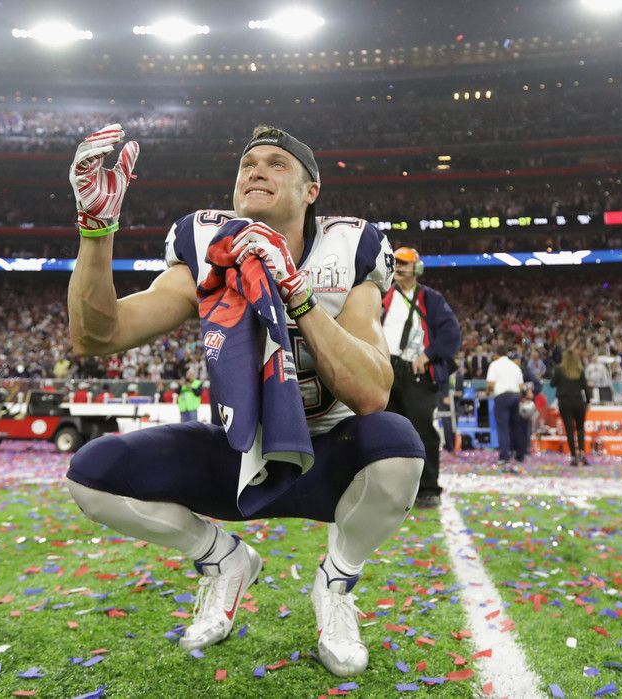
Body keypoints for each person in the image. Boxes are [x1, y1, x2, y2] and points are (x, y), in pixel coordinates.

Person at [64, 123, 425, 678]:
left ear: (311, 191)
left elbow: (373, 392)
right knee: (92, 475)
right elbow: (97, 336)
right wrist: (96, 232)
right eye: (248, 163)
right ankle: (223, 559)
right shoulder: (209, 244)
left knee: (398, 447)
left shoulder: (348, 249)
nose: (257, 170)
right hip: (240, 455)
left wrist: (298, 294)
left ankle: (335, 583)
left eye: (278, 163)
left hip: (327, 454)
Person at [380, 247, 461, 508]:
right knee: (387, 432)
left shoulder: (431, 299)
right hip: (385, 371)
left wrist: (428, 354)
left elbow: (451, 334)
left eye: (405, 263)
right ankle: (391, 491)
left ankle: (427, 488)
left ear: (417, 268)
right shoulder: (382, 296)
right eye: (396, 262)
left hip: (416, 374)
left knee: (422, 430)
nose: (399, 267)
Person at [486, 344, 528, 471]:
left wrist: (488, 392)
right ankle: (520, 455)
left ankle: (504, 456)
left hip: (502, 397)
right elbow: (521, 387)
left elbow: (490, 384)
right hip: (515, 396)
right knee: (516, 426)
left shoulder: (494, 365)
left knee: (503, 427)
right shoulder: (515, 366)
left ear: (496, 354)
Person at [550, 347, 592, 466]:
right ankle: (582, 454)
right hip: (578, 401)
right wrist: (588, 401)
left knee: (569, 430)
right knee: (580, 429)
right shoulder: (579, 370)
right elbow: (585, 387)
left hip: (564, 402)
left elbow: (552, 384)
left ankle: (573, 456)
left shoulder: (559, 370)